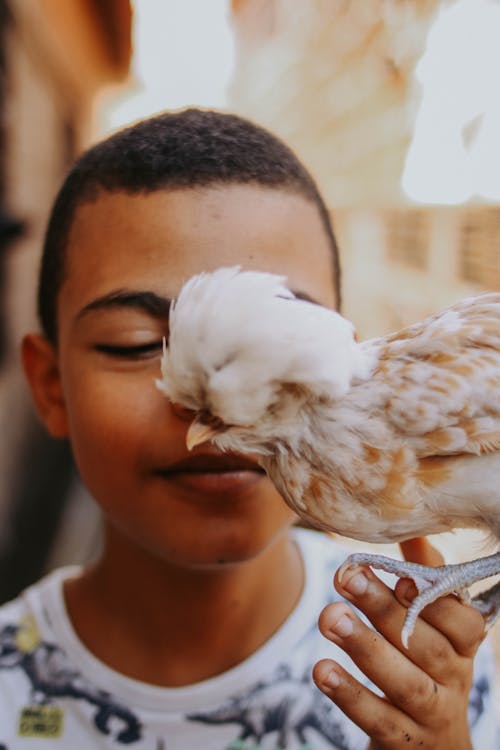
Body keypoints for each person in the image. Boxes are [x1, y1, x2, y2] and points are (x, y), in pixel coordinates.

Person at [0, 108, 496, 749]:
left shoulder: (430, 658)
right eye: (133, 343)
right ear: (49, 386)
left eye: (272, 347)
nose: (206, 410)